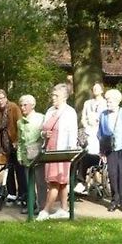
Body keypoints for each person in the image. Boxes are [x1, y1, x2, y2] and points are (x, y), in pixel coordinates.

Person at [37, 83, 78, 221]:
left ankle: (46, 210)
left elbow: (73, 134)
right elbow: (42, 130)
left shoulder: (69, 112)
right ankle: (64, 209)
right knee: (59, 182)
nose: (53, 97)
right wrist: (44, 134)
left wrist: (71, 154)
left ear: (64, 97)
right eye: (53, 95)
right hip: (49, 150)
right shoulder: (49, 111)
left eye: (56, 95)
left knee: (56, 180)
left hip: (62, 152)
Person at [98, 88, 122, 212]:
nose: (108, 104)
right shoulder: (103, 114)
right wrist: (102, 151)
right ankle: (114, 200)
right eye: (107, 101)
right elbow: (100, 134)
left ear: (118, 101)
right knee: (112, 174)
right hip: (110, 148)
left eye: (111, 101)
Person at [16, 94, 46, 214]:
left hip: (38, 154)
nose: (22, 107)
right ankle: (31, 205)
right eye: (21, 105)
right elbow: (20, 140)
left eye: (25, 105)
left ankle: (42, 207)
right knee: (29, 182)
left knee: (40, 182)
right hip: (26, 155)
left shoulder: (41, 118)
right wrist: (19, 155)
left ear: (32, 105)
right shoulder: (20, 122)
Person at [0, 89, 24, 204]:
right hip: (4, 144)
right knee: (8, 169)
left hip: (15, 142)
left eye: (1, 98)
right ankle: (11, 194)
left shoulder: (13, 107)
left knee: (19, 169)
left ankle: (22, 195)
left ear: (6, 98)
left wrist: (17, 140)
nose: (0, 101)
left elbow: (20, 124)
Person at [76, 82, 107, 194]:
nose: (95, 90)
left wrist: (98, 124)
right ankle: (78, 182)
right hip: (88, 131)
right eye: (93, 88)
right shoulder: (87, 103)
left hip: (98, 134)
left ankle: (82, 182)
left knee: (87, 156)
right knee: (79, 154)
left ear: (102, 90)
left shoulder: (105, 103)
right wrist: (86, 125)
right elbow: (83, 117)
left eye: (98, 88)